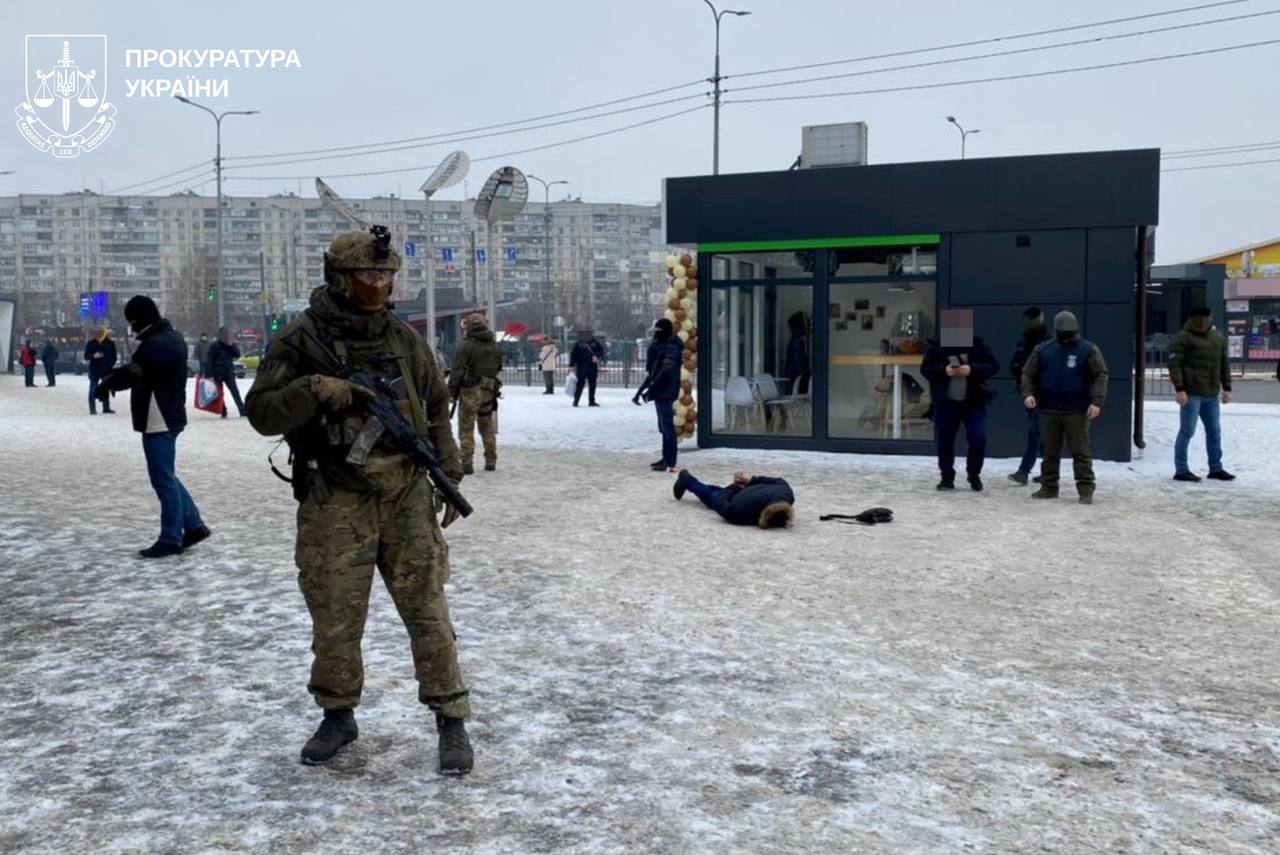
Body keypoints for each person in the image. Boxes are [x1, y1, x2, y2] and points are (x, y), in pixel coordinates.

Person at [245, 226, 473, 774]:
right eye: (368, 275)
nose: (378, 284)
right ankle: (337, 714)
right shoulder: (300, 341)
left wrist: (448, 469)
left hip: (405, 496)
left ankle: (451, 718)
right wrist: (314, 390)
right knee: (336, 617)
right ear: (341, 278)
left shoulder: (402, 337)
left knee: (428, 611)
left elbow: (437, 405)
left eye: (386, 275)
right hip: (335, 499)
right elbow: (261, 413)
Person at [95, 296, 210, 558]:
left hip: (158, 416)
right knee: (166, 474)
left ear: (139, 320)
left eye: (132, 322)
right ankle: (193, 525)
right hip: (168, 414)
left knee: (162, 479)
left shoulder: (156, 344)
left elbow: (135, 371)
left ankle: (170, 538)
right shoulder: (171, 338)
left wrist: (108, 383)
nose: (132, 328)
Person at [1020, 311, 1109, 504]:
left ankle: (1085, 489)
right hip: (1048, 408)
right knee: (1050, 452)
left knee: (1081, 451)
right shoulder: (1043, 350)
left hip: (1077, 409)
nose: (1066, 337)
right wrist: (1028, 394)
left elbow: (1100, 375)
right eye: (1063, 333)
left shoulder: (1088, 349)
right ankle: (1049, 487)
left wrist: (1097, 402)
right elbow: (1028, 374)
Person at [920, 320, 998, 491]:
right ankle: (947, 477)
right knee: (945, 443)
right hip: (946, 403)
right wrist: (944, 371)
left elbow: (993, 366)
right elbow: (925, 369)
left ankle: (974, 473)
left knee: (978, 438)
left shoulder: (977, 345)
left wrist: (971, 370)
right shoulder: (937, 347)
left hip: (973, 402)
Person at [1169, 306, 1234, 482]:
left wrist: (1226, 387)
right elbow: (1174, 365)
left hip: (1211, 393)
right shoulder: (1182, 338)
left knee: (1214, 431)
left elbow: (1224, 364)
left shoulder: (1218, 338)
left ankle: (1216, 468)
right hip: (1191, 393)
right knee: (1187, 431)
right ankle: (1181, 469)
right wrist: (1180, 389)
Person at [449, 314, 503, 474]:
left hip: (469, 389)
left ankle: (466, 462)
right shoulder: (493, 344)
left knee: (466, 426)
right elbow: (499, 365)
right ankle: (491, 460)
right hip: (489, 387)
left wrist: (452, 389)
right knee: (486, 425)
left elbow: (457, 370)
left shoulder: (466, 345)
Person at [634, 319, 684, 473]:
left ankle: (670, 461)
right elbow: (655, 372)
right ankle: (666, 458)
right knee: (664, 428)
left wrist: (651, 389)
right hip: (661, 391)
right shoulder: (667, 346)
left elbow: (665, 371)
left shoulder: (669, 348)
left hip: (664, 392)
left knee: (667, 428)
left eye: (657, 331)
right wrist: (642, 391)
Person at [1007, 307, 1049, 485]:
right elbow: (1015, 364)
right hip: (1028, 391)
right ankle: (1048, 471)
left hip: (1041, 393)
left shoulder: (1045, 342)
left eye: (1033, 318)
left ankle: (1024, 470)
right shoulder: (1026, 340)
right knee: (1038, 433)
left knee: (1035, 432)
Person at [672, 469, 795, 528]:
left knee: (718, 493)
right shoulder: (740, 513)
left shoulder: (787, 493)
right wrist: (733, 487)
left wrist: (748, 482)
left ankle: (688, 481)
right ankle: (688, 481)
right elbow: (721, 504)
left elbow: (779, 480)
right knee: (713, 497)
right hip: (740, 500)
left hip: (747, 493)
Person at [207, 327, 245, 418]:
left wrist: (231, 345)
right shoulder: (215, 345)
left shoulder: (231, 344)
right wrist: (209, 374)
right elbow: (209, 360)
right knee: (220, 393)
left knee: (235, 392)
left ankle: (242, 411)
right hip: (217, 373)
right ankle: (223, 411)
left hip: (228, 372)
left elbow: (237, 354)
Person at [84, 324, 118, 414]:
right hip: (95, 369)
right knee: (93, 389)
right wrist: (93, 356)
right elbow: (86, 356)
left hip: (105, 369)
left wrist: (110, 365)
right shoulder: (91, 343)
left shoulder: (110, 343)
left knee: (105, 388)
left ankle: (106, 408)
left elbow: (114, 357)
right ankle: (92, 409)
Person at [569, 328, 605, 407]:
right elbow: (573, 355)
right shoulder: (580, 343)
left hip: (589, 366)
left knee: (591, 384)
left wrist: (597, 356)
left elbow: (601, 350)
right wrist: (572, 365)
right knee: (581, 385)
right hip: (583, 366)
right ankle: (577, 400)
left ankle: (589, 400)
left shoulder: (592, 342)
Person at [784, 311, 811, 396]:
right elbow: (799, 360)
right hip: (797, 377)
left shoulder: (795, 340)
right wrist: (806, 373)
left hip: (795, 375)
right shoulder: (798, 342)